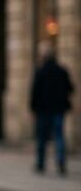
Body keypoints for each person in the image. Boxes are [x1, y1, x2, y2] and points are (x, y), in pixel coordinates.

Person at [30, 41, 74, 175]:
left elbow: (34, 92)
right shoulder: (62, 71)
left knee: (42, 137)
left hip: (43, 110)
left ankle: (41, 163)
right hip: (58, 109)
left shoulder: (40, 71)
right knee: (59, 136)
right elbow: (71, 88)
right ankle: (60, 162)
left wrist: (33, 108)